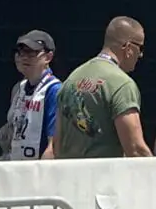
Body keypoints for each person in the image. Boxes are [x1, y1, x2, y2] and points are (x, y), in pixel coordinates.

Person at [54, 17, 150, 159]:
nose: (141, 55)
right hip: (103, 178)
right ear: (128, 48)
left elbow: (57, 143)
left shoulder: (70, 80)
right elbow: (135, 149)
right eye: (140, 48)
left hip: (67, 177)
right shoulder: (122, 84)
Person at [1, 30, 60, 161]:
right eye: (21, 51)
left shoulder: (53, 90)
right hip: (16, 169)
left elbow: (54, 145)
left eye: (32, 52)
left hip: (37, 172)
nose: (24, 57)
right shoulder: (19, 88)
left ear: (48, 57)